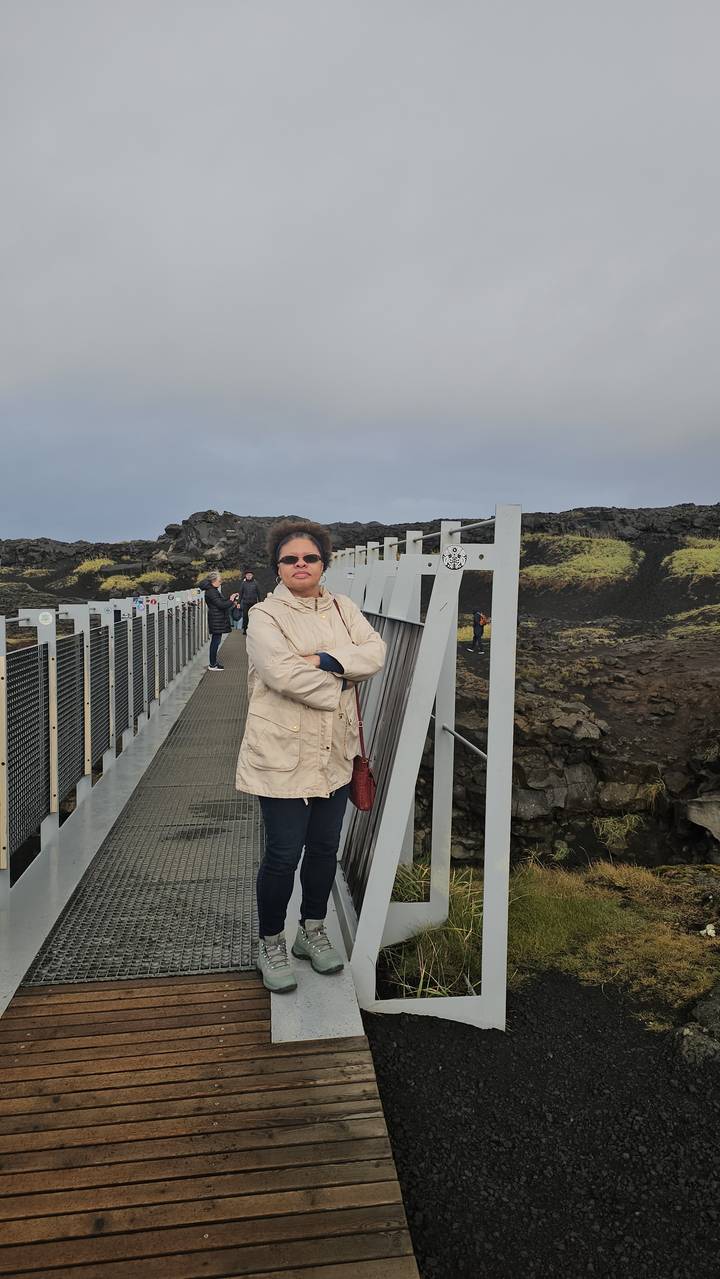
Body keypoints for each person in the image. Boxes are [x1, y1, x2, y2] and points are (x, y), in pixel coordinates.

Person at [236, 518, 386, 993]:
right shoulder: (264, 616)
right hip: (281, 750)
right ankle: (271, 941)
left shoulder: (344, 607)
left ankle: (312, 931)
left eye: (310, 558)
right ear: (276, 566)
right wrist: (344, 675)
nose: (301, 565)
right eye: (290, 559)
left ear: (324, 562)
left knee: (324, 848)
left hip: (334, 750)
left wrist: (321, 659)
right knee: (283, 853)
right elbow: (281, 675)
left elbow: (376, 653)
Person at [201, 571, 239, 671]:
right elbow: (221, 605)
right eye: (219, 580)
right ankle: (212, 665)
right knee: (215, 642)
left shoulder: (212, 590)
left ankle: (214, 663)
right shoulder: (212, 591)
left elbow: (220, 601)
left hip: (216, 618)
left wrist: (231, 598)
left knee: (216, 641)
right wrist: (231, 600)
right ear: (213, 581)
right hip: (216, 619)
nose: (220, 582)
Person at [237, 569, 262, 634]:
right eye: (247, 575)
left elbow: (259, 593)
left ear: (252, 575)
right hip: (245, 602)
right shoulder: (243, 583)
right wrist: (238, 603)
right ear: (245, 576)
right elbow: (241, 593)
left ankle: (253, 629)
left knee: (253, 617)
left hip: (253, 603)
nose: (248, 576)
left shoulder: (256, 583)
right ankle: (245, 629)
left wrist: (260, 602)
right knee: (245, 617)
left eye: (250, 575)